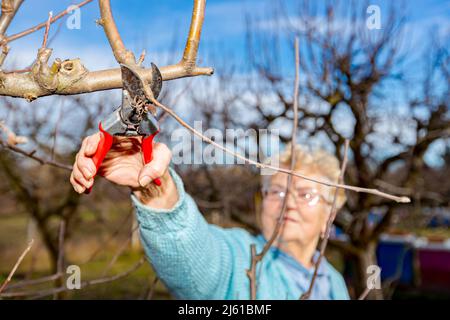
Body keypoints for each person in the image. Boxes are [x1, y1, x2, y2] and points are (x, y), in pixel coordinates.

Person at [70, 134, 350, 299]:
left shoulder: (334, 282)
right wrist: (155, 190)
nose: (288, 202)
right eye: (276, 191)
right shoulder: (242, 257)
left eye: (305, 194)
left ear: (330, 214)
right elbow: (198, 267)